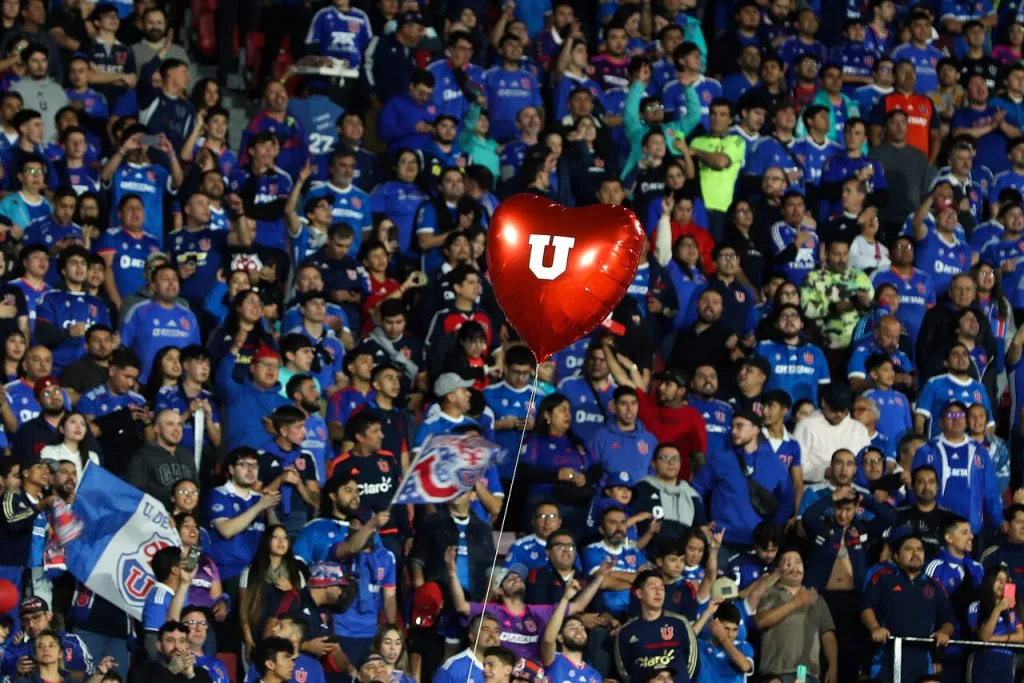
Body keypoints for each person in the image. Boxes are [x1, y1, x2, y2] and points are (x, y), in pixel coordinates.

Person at [861, 534, 955, 683]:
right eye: (909, 549)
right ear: (897, 556)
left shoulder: (935, 585)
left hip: (923, 663)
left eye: (919, 550)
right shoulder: (882, 578)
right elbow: (866, 608)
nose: (916, 553)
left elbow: (948, 619)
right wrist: (875, 628)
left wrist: (944, 632)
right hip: (885, 659)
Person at [614, 569, 699, 683]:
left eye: (662, 588)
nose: (659, 592)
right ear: (639, 593)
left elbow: (693, 661)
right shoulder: (626, 631)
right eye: (653, 588)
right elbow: (624, 670)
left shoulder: (680, 623)